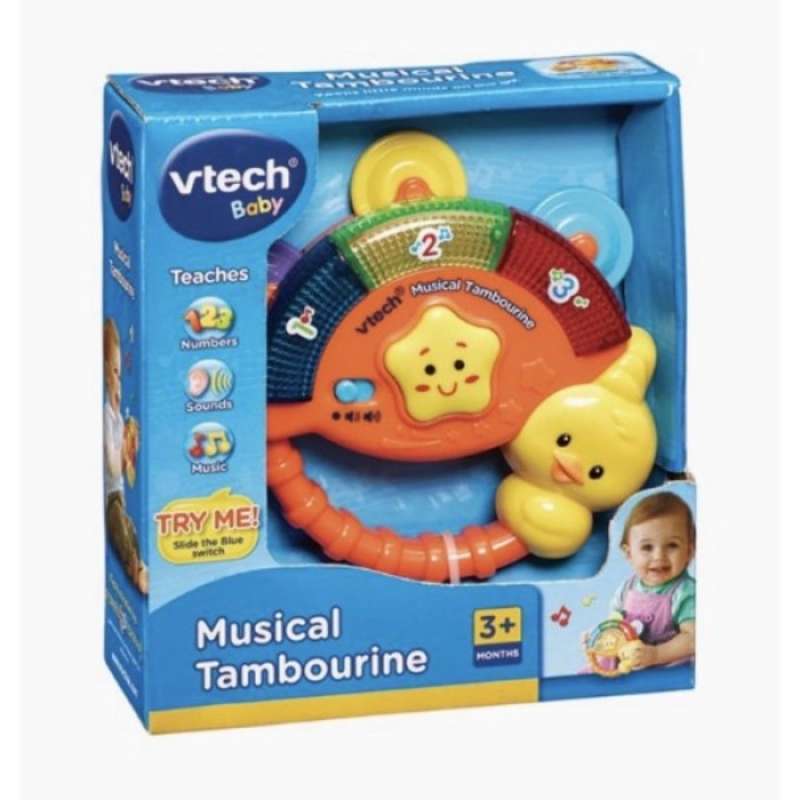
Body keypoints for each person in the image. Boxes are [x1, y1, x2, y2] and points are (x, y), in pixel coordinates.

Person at [610, 492, 695, 669]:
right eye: (647, 547)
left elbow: (693, 638)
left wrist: (656, 655)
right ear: (629, 553)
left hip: (669, 671)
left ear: (689, 551)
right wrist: (604, 638)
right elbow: (615, 624)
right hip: (631, 666)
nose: (659, 556)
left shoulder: (685, 592)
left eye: (672, 545)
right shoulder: (627, 588)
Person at [103, 318, 147, 595]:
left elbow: (128, 472)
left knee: (130, 525)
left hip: (122, 496)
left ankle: (139, 566)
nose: (118, 382)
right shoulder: (108, 416)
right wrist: (126, 449)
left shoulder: (121, 417)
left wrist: (132, 445)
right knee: (120, 525)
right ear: (105, 371)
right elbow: (112, 467)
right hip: (111, 498)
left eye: (121, 374)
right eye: (114, 371)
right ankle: (135, 567)